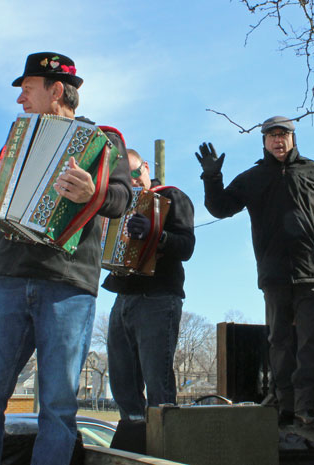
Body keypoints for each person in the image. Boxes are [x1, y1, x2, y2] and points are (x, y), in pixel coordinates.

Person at [0, 52, 132, 465]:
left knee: (58, 408)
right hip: (8, 276)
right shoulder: (16, 136)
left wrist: (92, 194)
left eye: (27, 89)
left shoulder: (104, 141)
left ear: (55, 89)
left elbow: (122, 198)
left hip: (68, 285)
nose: (20, 100)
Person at [196, 116, 314, 426]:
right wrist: (212, 179)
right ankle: (287, 406)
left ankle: (308, 408)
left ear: (293, 139)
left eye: (283, 135)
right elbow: (221, 208)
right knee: (280, 342)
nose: (278, 140)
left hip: (312, 271)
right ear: (264, 142)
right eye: (271, 136)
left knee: (310, 342)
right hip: (274, 273)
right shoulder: (253, 177)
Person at [103, 149, 195, 422]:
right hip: (123, 297)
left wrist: (157, 234)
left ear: (144, 167)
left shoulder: (171, 196)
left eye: (133, 173)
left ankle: (164, 451)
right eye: (123, 176)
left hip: (158, 297)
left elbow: (187, 247)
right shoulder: (119, 202)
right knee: (122, 382)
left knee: (158, 382)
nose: (130, 181)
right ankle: (134, 435)